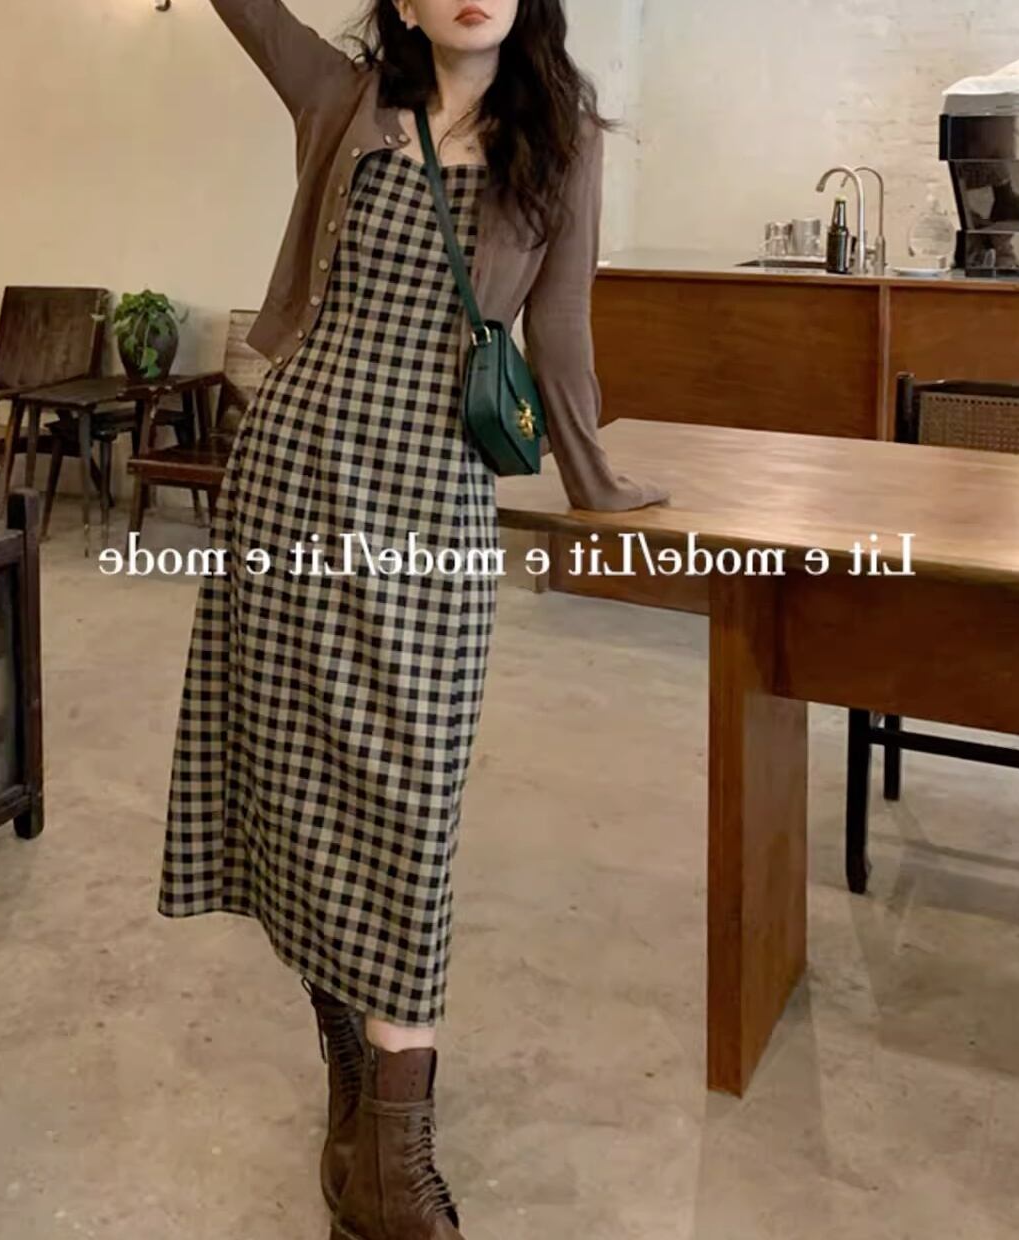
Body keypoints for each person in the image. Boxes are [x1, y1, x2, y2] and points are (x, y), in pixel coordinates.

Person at [158, 2, 670, 1236]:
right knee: (296, 778)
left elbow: (558, 325)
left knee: (409, 798)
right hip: (294, 477)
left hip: (434, 495)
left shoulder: (563, 138)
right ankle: (372, 1126)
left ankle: (377, 1137)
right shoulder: (343, 100)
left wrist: (595, 480)